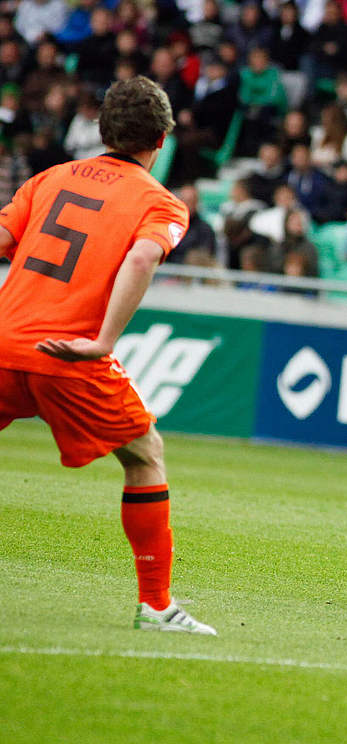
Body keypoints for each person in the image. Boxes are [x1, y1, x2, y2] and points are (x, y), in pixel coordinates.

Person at [0, 76, 216, 635]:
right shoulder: (159, 202)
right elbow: (142, 259)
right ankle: (157, 605)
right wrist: (102, 342)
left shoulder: (49, 179)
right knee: (144, 454)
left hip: (4, 342)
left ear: (101, 129)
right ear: (162, 139)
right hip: (68, 354)